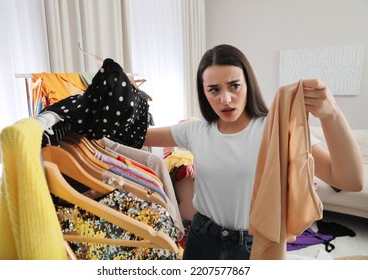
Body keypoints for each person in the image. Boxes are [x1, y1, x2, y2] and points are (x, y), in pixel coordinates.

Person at [143, 44, 364, 260]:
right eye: (214, 89)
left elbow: (350, 181)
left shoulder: (276, 130)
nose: (225, 99)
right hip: (201, 240)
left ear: (248, 84)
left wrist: (331, 114)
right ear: (204, 92)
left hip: (253, 245)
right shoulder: (195, 130)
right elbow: (137, 136)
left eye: (234, 86)